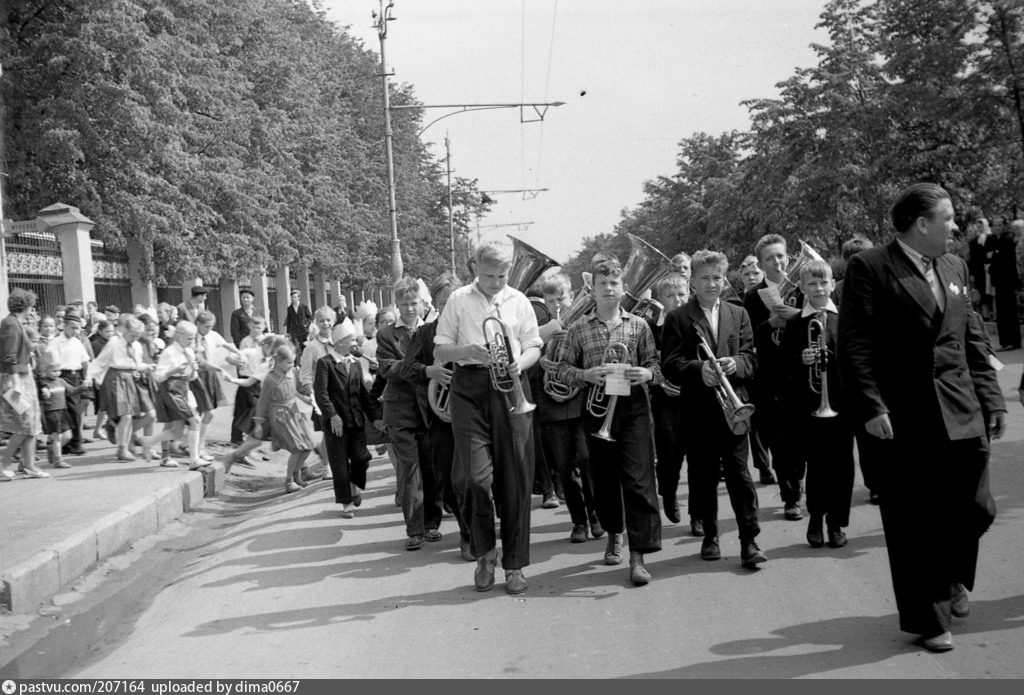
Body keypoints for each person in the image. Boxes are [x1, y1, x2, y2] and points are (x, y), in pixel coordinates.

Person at [838, 182, 1005, 653]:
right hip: (902, 416)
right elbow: (854, 345)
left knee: (977, 505)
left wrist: (992, 399)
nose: (955, 226)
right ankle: (930, 620)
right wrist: (871, 405)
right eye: (948, 218)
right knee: (912, 520)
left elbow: (974, 338)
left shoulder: (954, 266)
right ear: (921, 223)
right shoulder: (869, 267)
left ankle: (952, 576)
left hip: (961, 407)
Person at [434, 241, 541, 595]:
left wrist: (520, 363)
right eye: (489, 274)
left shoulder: (519, 300)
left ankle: (514, 566)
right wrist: (467, 350)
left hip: (511, 385)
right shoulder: (458, 299)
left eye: (502, 275)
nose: (496, 282)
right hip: (470, 387)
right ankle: (484, 554)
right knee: (475, 480)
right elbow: (440, 349)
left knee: (515, 481)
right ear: (475, 267)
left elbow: (534, 345)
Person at [551, 258, 663, 585]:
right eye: (603, 284)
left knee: (639, 480)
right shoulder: (579, 329)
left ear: (624, 289)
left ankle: (638, 554)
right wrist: (585, 374)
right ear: (593, 290)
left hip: (634, 410)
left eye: (615, 283)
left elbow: (655, 366)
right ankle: (615, 532)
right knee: (604, 479)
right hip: (598, 411)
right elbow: (559, 369)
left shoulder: (639, 326)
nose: (610, 289)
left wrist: (645, 373)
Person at [662, 250, 766, 570]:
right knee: (703, 477)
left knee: (739, 475)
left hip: (734, 408)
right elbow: (669, 364)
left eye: (717, 278)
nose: (712, 284)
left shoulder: (739, 313)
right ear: (692, 282)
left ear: (725, 279)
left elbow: (752, 357)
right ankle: (711, 535)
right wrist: (697, 370)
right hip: (699, 412)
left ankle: (749, 539)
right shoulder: (678, 317)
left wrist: (737, 363)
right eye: (704, 278)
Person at [396, 272, 476, 560]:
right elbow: (406, 368)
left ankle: (474, 529)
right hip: (441, 418)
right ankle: (468, 530)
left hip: (475, 412)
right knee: (449, 479)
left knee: (476, 477)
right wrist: (430, 371)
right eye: (441, 303)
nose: (446, 308)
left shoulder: (473, 328)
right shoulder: (426, 333)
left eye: (451, 301)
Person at [779, 259, 854, 549]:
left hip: (841, 404)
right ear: (802, 288)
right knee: (818, 465)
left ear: (833, 285)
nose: (819, 288)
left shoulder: (845, 318)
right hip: (809, 406)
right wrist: (801, 360)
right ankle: (816, 518)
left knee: (842, 466)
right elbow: (782, 366)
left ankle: (836, 522)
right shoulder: (796, 323)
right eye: (812, 283)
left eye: (824, 283)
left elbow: (855, 359)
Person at [375, 277, 443, 550]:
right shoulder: (386, 334)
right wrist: (420, 368)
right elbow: (388, 369)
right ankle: (414, 530)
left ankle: (431, 525)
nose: (409, 309)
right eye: (404, 304)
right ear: (396, 305)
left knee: (431, 467)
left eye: (413, 303)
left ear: (422, 303)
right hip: (400, 410)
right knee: (409, 468)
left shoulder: (433, 331)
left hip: (429, 408)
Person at [535, 273, 604, 543]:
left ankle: (596, 514)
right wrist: (541, 361)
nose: (557, 306)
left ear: (573, 295)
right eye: (550, 301)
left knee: (587, 461)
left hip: (581, 401)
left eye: (561, 298)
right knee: (564, 467)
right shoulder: (539, 326)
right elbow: (527, 354)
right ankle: (579, 521)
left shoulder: (585, 322)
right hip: (552, 406)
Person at [743, 234, 804, 520]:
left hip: (803, 374)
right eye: (770, 258)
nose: (776, 262)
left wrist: (798, 315)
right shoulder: (753, 296)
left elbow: (822, 322)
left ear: (788, 257)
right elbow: (746, 335)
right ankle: (790, 496)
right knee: (779, 441)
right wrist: (770, 323)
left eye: (780, 256)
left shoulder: (803, 287)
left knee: (801, 440)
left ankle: (798, 479)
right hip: (771, 377)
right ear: (761, 263)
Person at [313, 319, 381, 515]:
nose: (355, 344)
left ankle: (355, 484)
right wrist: (332, 415)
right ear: (341, 342)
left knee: (361, 458)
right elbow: (321, 394)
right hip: (336, 424)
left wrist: (375, 417)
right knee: (340, 464)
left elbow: (363, 395)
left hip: (356, 421)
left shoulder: (356, 364)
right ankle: (346, 503)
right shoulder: (325, 364)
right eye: (352, 340)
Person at [834, 235, 881, 505]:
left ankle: (881, 480)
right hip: (855, 366)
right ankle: (872, 483)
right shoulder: (839, 289)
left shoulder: (881, 282)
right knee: (864, 431)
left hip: (879, 364)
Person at [646, 273, 692, 529]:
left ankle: (698, 515)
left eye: (682, 294)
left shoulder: (694, 321)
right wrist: (662, 381)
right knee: (669, 453)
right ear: (660, 300)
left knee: (697, 455)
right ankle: (670, 490)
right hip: (665, 398)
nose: (677, 300)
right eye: (671, 296)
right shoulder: (652, 327)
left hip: (693, 394)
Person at [254, 343, 317, 493]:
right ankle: (289, 482)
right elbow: (262, 402)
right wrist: (258, 423)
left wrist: (306, 399)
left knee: (309, 444)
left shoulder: (292, 373)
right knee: (297, 448)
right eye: (288, 362)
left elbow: (294, 390)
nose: (291, 365)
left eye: (293, 362)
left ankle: (297, 474)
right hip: (280, 416)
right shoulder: (270, 379)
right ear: (278, 361)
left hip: (294, 411)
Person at [88, 316, 151, 461]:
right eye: (133, 335)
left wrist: (147, 367)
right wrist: (90, 377)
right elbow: (100, 361)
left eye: (137, 336)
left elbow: (136, 364)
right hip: (116, 378)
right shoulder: (114, 343)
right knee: (126, 415)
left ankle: (119, 440)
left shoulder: (136, 345)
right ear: (125, 331)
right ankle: (122, 449)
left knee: (128, 416)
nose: (135, 338)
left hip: (130, 378)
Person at [1, 288, 46, 480]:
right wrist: (16, 383)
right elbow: (9, 356)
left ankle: (29, 466)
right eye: (31, 307)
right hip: (14, 380)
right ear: (24, 306)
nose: (32, 311)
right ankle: (3, 464)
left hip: (23, 378)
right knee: (24, 424)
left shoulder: (16, 323)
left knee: (32, 423)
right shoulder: (10, 324)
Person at [297, 306, 338, 481]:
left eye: (328, 320)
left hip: (342, 392)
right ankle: (327, 468)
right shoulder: (312, 347)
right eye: (321, 320)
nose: (326, 323)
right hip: (323, 394)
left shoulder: (340, 340)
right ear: (316, 323)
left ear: (334, 321)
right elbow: (305, 374)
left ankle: (340, 462)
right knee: (328, 432)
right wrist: (311, 392)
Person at [35, 348, 89, 470]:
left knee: (68, 436)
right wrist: (44, 393)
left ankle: (52, 449)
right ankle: (58, 460)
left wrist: (82, 387)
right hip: (51, 413)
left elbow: (71, 391)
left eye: (58, 370)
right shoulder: (44, 384)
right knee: (58, 436)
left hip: (63, 412)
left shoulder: (61, 381)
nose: (57, 373)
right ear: (44, 371)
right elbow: (42, 396)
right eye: (53, 371)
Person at [49, 311, 90, 456]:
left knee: (74, 411)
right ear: (64, 326)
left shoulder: (77, 342)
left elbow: (85, 362)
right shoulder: (55, 343)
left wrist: (87, 378)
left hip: (76, 377)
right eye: (72, 327)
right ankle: (74, 443)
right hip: (62, 377)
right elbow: (51, 363)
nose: (75, 331)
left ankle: (71, 443)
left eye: (77, 328)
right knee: (68, 411)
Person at [990, 218, 1021, 350]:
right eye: (995, 225)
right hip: (999, 282)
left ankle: (1012, 341)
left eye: (1000, 225)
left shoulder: (1006, 240)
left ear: (1004, 226)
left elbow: (1005, 262)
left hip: (1006, 282)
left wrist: (994, 258)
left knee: (1008, 312)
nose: (997, 227)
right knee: (1002, 312)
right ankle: (1006, 341)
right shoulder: (995, 240)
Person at [966, 219, 994, 320]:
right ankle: (984, 314)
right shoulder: (974, 241)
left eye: (981, 226)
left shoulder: (991, 238)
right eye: (978, 226)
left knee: (990, 292)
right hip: (978, 271)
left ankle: (991, 313)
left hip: (989, 270)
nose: (980, 228)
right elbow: (972, 259)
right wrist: (972, 273)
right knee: (981, 291)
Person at [284, 289, 312, 355]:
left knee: (304, 347)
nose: (293, 299)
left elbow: (310, 317)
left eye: (295, 297)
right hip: (294, 331)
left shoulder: (304, 307)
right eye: (292, 297)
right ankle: (297, 364)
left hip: (304, 331)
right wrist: (288, 332)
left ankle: (305, 362)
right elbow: (289, 320)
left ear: (298, 297)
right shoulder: (289, 308)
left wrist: (306, 325)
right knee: (296, 347)